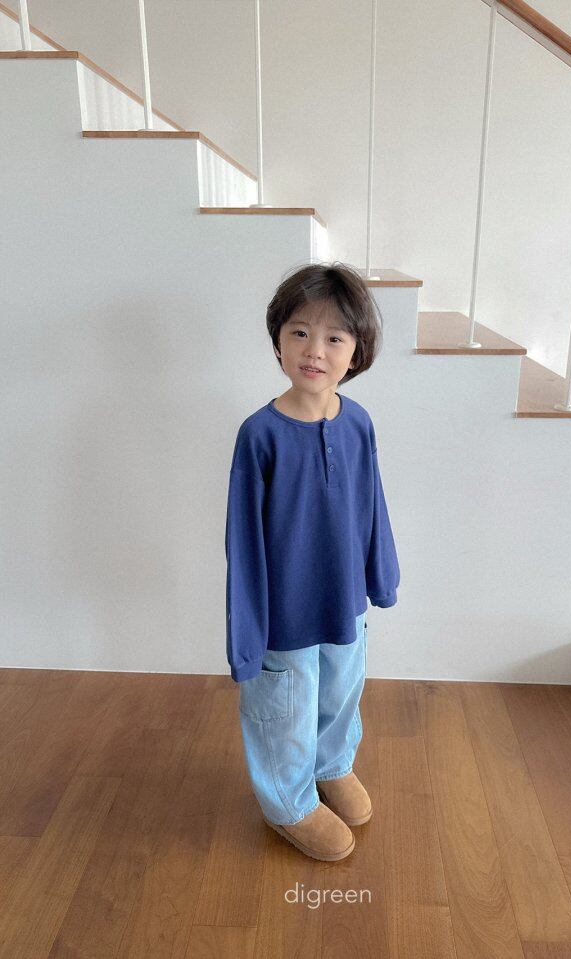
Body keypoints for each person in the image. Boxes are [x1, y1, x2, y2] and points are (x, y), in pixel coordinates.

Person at [224, 261, 400, 861]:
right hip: (285, 612)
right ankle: (288, 803)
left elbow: (372, 502)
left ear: (356, 350)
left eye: (334, 337)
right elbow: (243, 539)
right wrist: (247, 631)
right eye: (299, 332)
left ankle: (331, 766)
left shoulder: (358, 422)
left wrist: (380, 576)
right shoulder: (260, 434)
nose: (314, 350)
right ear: (278, 338)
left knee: (341, 692)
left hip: (344, 599)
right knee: (286, 710)